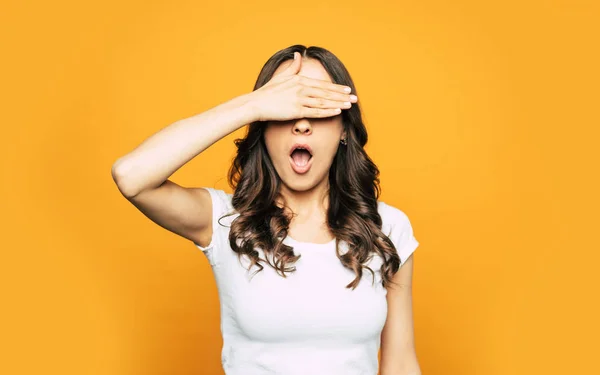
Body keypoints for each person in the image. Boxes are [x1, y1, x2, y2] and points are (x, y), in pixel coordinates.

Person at [111, 45, 421, 375]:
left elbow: (401, 362)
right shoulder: (225, 221)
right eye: (286, 106)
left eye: (317, 105)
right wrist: (253, 104)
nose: (301, 123)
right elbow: (132, 176)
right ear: (263, 125)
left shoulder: (387, 227)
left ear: (345, 129)